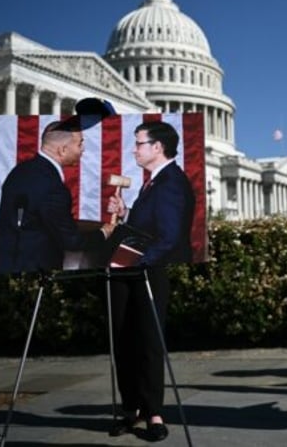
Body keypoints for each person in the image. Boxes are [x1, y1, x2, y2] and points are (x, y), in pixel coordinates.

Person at [106, 120, 195, 441]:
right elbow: (150, 226)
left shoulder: (171, 182)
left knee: (148, 341)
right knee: (123, 340)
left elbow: (169, 238)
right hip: (127, 269)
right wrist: (127, 213)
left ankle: (154, 412)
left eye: (139, 143)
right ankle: (131, 408)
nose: (134, 149)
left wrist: (133, 260)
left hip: (147, 271)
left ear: (157, 148)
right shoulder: (154, 182)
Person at [0, 118, 115, 274]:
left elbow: (34, 221)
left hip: (2, 266)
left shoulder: (18, 172)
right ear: (62, 150)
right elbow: (71, 241)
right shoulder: (52, 187)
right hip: (32, 274)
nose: (83, 149)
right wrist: (103, 233)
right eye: (80, 144)